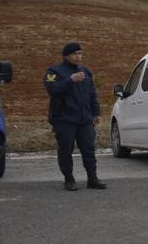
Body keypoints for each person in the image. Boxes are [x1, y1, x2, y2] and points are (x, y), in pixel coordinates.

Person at [44, 42, 107, 191]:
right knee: (66, 150)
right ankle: (69, 179)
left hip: (85, 118)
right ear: (66, 56)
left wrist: (96, 112)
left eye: (80, 53)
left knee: (89, 149)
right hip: (64, 118)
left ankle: (92, 178)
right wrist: (70, 80)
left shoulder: (86, 72)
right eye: (75, 54)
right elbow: (52, 89)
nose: (78, 56)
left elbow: (92, 94)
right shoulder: (54, 71)